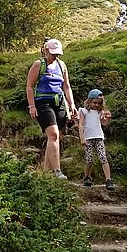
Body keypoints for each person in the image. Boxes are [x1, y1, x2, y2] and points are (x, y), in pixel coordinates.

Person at [26, 38, 78, 179]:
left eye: (58, 54)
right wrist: (31, 106)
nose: (55, 56)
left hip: (59, 103)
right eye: (53, 53)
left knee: (53, 137)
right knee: (53, 134)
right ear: (46, 50)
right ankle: (57, 171)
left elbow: (66, 86)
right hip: (42, 103)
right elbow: (30, 86)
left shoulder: (62, 66)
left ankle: (45, 172)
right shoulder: (38, 65)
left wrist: (71, 104)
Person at [78, 88, 114, 191]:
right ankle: (87, 177)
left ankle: (108, 179)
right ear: (89, 101)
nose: (97, 105)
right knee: (89, 159)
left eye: (99, 103)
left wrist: (108, 118)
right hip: (88, 138)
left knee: (103, 157)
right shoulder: (84, 111)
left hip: (99, 137)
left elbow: (104, 123)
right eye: (94, 103)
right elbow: (81, 124)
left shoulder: (100, 112)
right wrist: (82, 138)